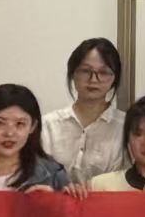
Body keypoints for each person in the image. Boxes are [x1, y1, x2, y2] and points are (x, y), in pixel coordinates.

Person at [40, 37, 127, 187]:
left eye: (104, 72)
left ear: (115, 78)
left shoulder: (126, 127)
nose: (93, 79)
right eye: (85, 71)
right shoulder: (47, 125)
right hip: (53, 201)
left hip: (108, 202)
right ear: (73, 74)